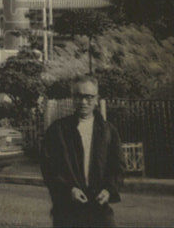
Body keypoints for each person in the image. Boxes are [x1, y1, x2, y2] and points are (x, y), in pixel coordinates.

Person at [40, 76, 122, 228]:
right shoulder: (58, 130)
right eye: (79, 97)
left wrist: (108, 190)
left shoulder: (108, 131)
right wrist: (69, 190)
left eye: (89, 97)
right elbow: (48, 167)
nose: (84, 102)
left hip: (99, 209)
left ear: (97, 98)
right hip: (67, 210)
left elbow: (116, 166)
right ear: (73, 98)